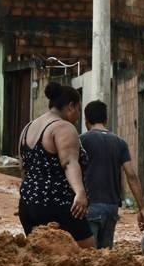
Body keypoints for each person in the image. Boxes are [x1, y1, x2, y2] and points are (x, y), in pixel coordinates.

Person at [17, 83, 94, 249]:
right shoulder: (63, 127)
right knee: (88, 255)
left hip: (28, 205)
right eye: (78, 110)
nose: (78, 115)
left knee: (42, 258)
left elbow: (23, 167)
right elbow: (69, 163)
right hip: (58, 204)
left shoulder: (27, 128)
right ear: (71, 106)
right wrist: (80, 192)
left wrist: (28, 194)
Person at [79, 100, 144, 249]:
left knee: (88, 256)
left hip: (88, 206)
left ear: (86, 120)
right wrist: (142, 208)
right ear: (106, 120)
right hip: (111, 208)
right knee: (106, 257)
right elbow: (131, 175)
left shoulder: (81, 141)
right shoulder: (120, 142)